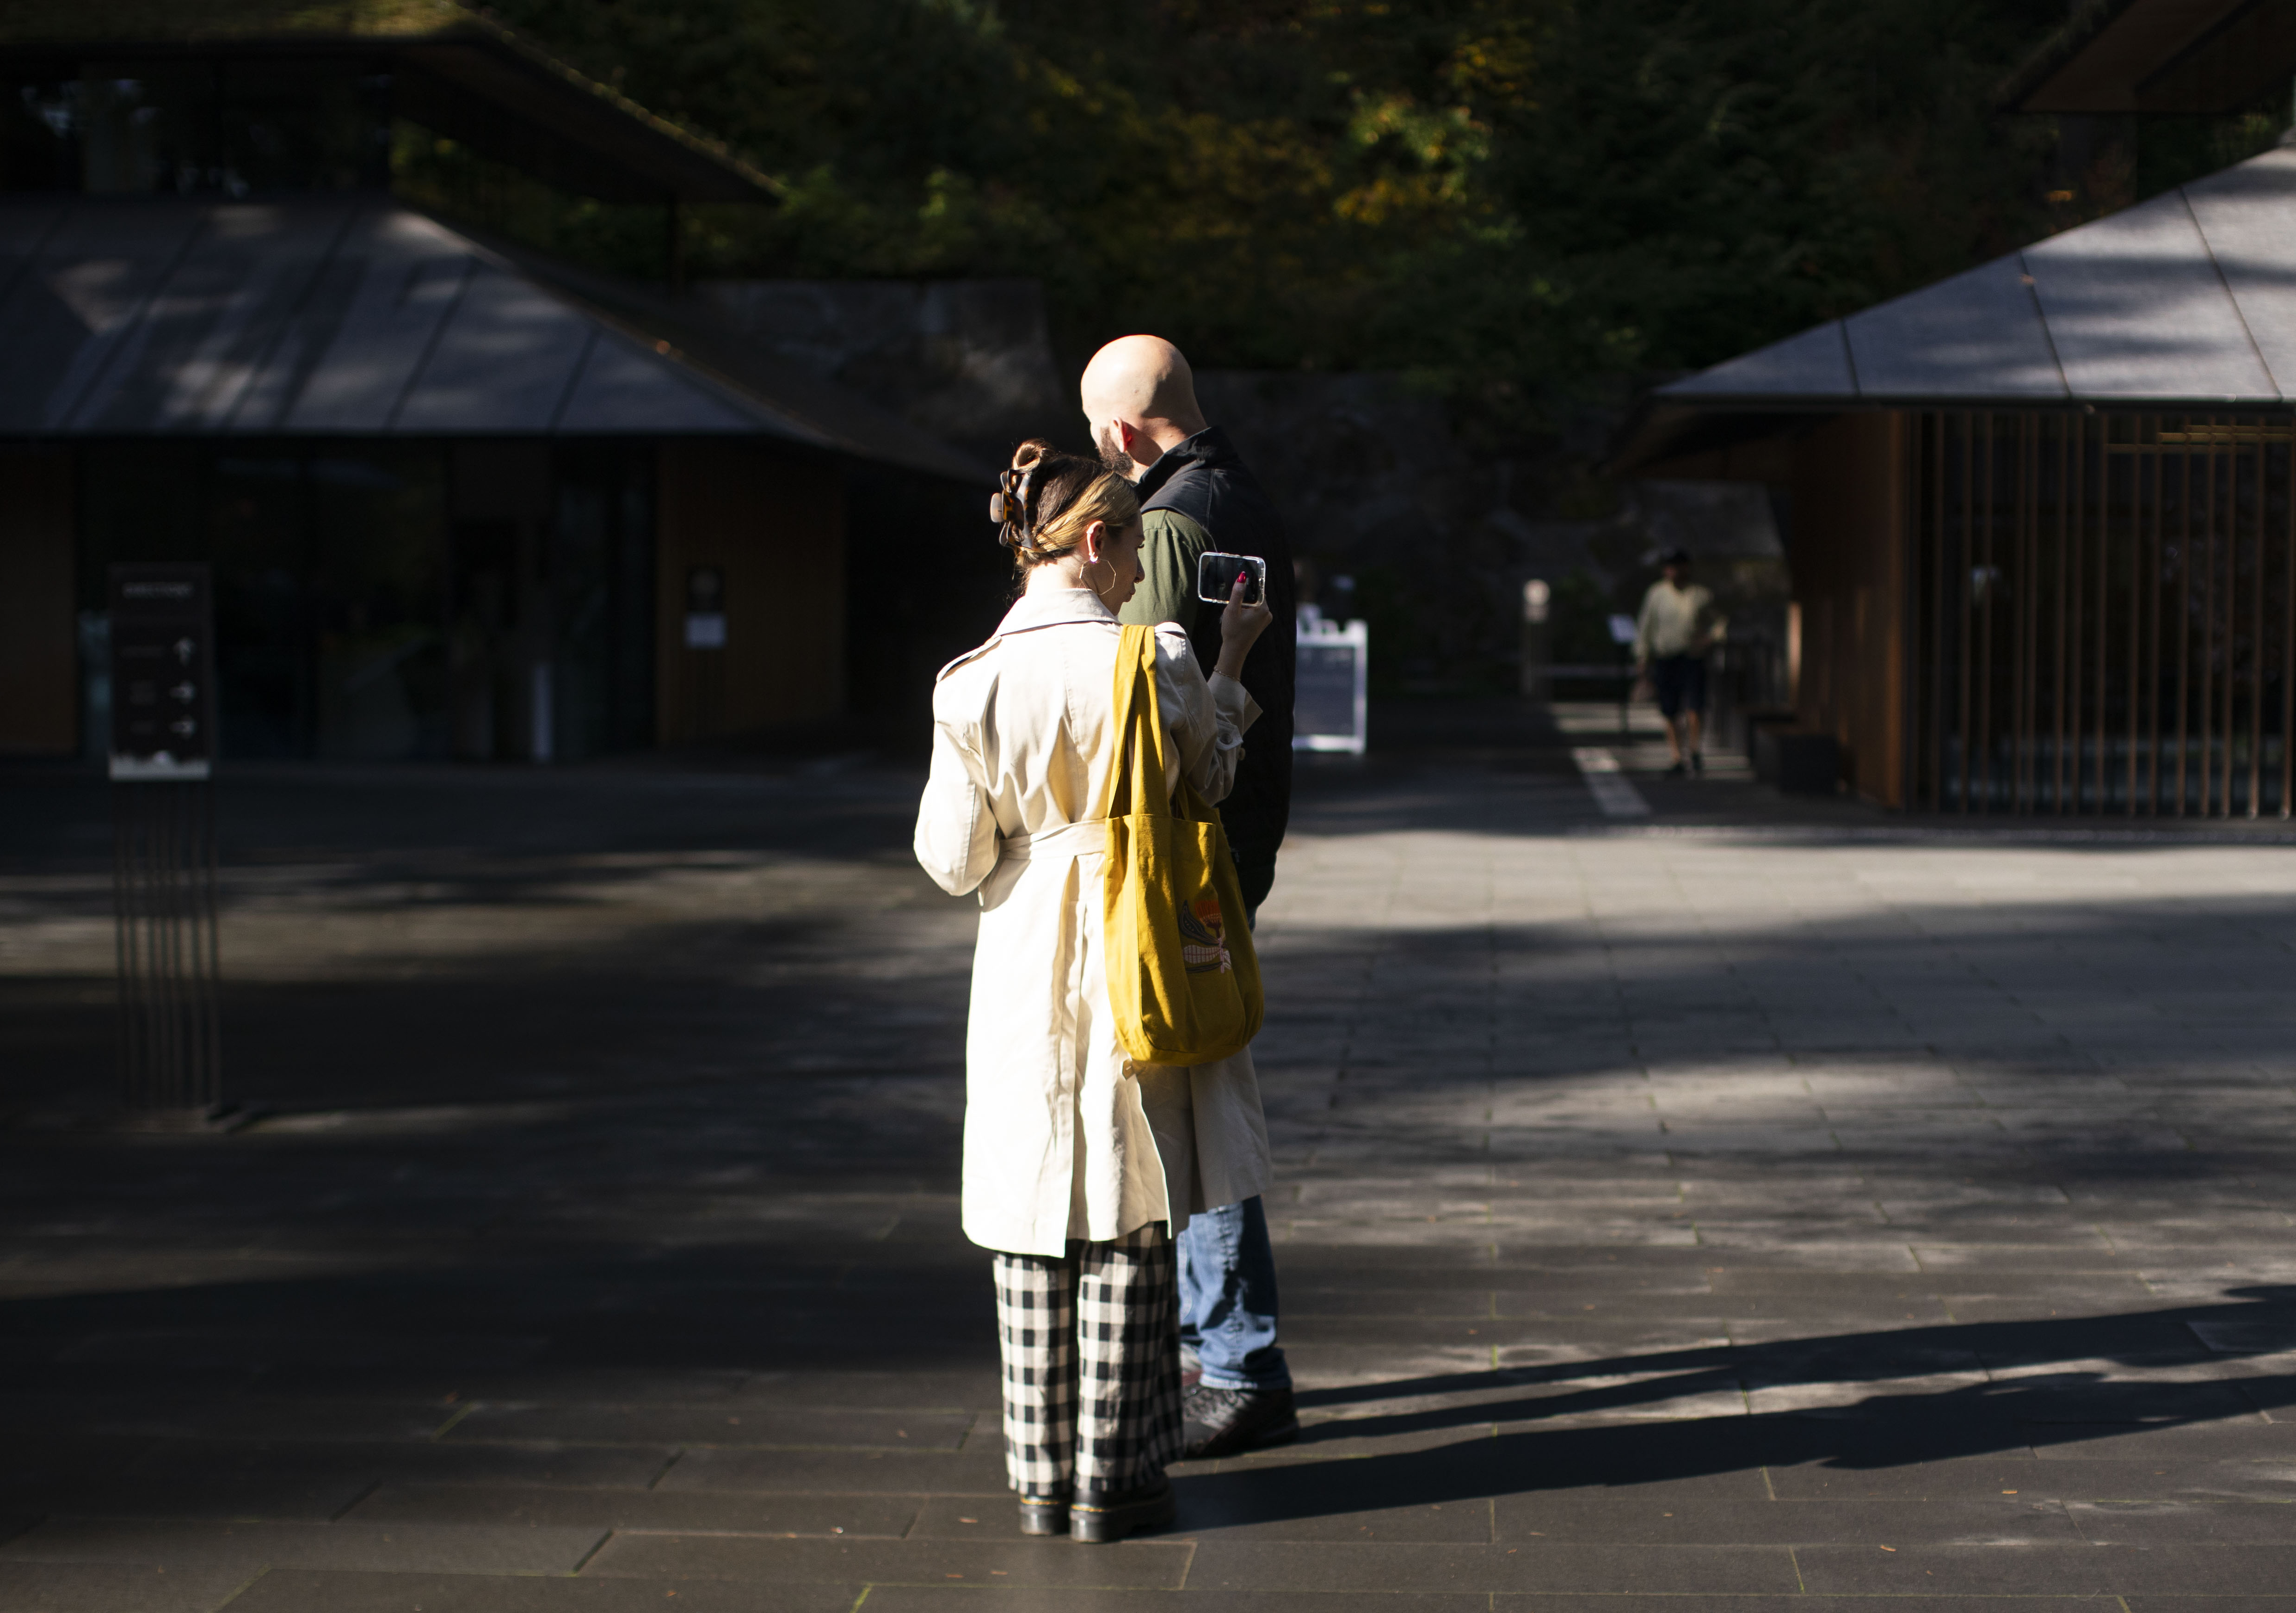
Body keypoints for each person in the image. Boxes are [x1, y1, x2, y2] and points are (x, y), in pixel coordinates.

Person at [914, 440, 1275, 1544]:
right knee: (1131, 1200)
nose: (1132, 577)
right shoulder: (1154, 657)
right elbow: (1207, 783)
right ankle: (1116, 1482)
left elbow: (950, 859)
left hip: (1025, 951)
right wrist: (1231, 664)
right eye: (1124, 552)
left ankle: (1038, 1478)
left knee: (1033, 1206)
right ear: (1095, 539)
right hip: (1138, 946)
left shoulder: (969, 683)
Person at [1079, 334, 1298, 1461]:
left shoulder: (1168, 524)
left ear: (1120, 436)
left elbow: (1140, 709)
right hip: (1238, 833)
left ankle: (1236, 1355)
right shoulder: (1245, 494)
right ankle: (1227, 1345)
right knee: (1199, 1076)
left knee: (1187, 1091)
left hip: (1182, 846)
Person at [1634, 548, 1721, 777]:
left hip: (1692, 657)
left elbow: (1719, 622)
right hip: (1666, 657)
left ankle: (1694, 750)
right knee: (1669, 709)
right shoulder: (1657, 594)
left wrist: (1711, 638)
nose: (1671, 571)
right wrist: (1642, 656)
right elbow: (1647, 626)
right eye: (1668, 566)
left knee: (1695, 706)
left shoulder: (1700, 595)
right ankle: (1676, 756)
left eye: (1676, 566)